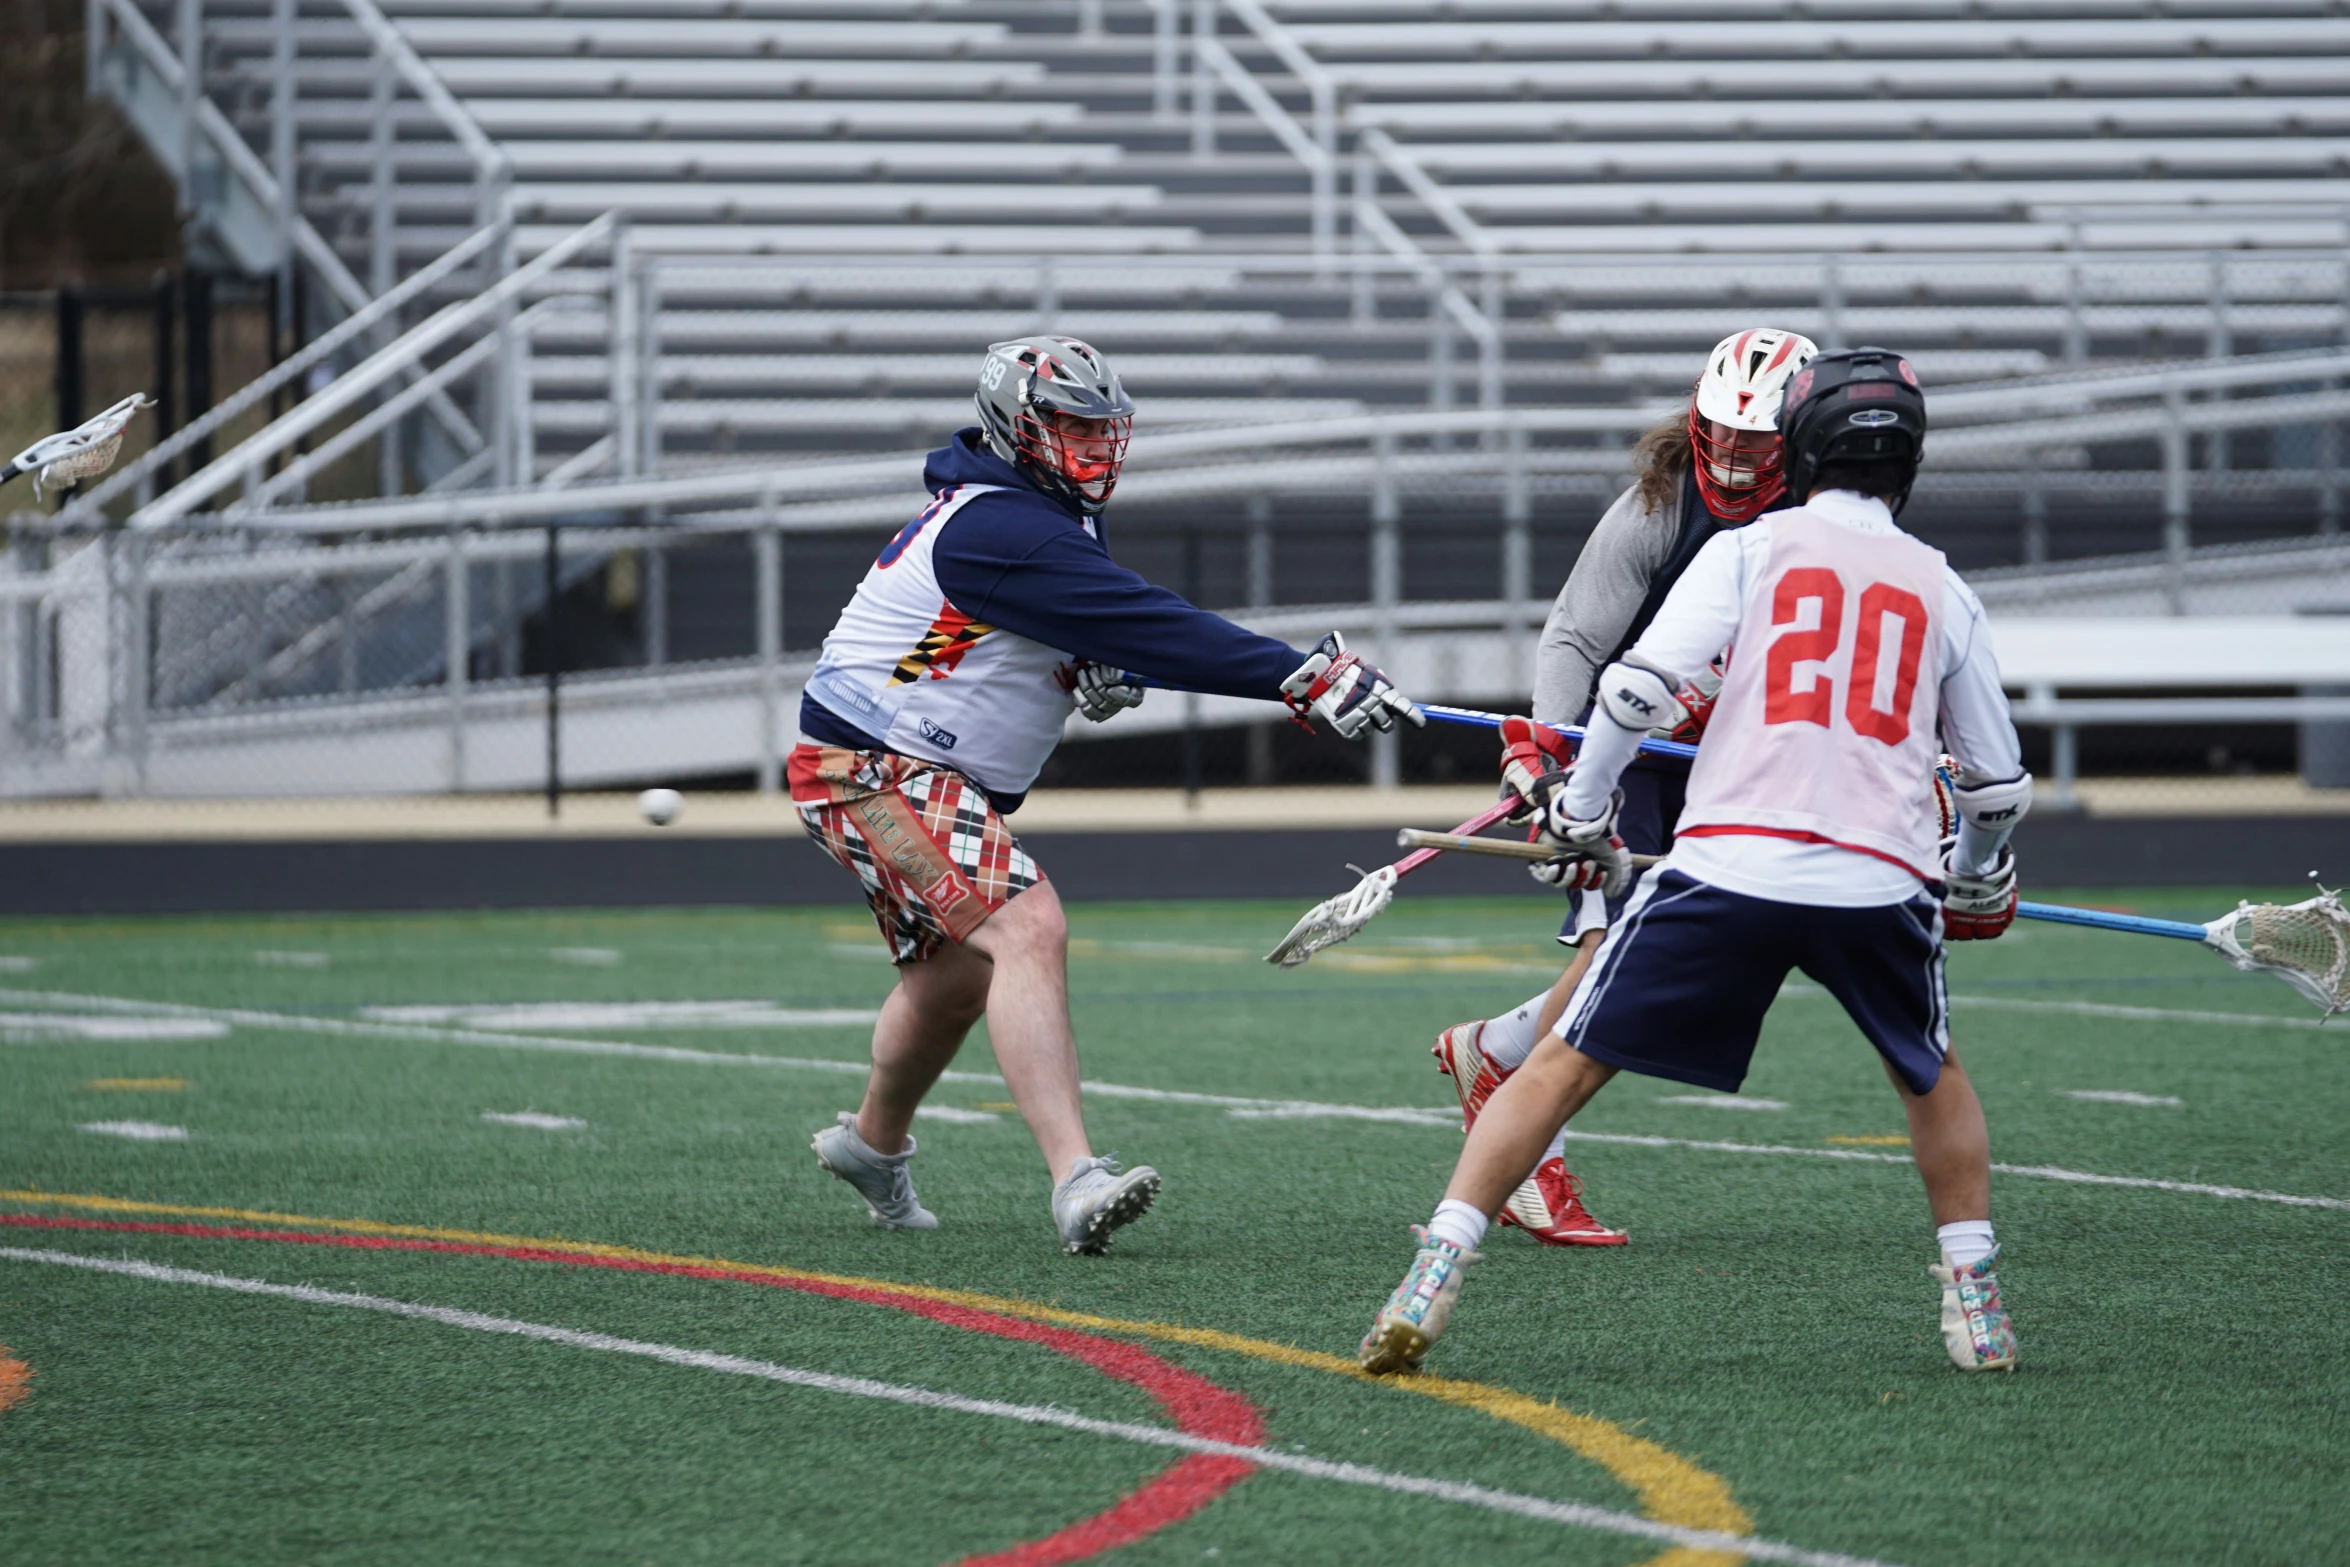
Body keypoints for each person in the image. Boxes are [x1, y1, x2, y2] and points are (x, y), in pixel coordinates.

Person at [1359, 347, 2033, 1375]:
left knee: (1567, 1062)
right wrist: (1977, 873)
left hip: (1729, 859)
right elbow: (1993, 784)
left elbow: (1630, 693)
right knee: (1932, 1077)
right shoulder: (1942, 586)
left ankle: (1435, 1268)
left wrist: (1581, 806)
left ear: (1797, 446)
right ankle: (1974, 1305)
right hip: (1877, 873)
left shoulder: (1749, 551)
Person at [794, 335, 1422, 1255]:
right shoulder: (1000, 523)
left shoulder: (1037, 513)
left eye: (1103, 432)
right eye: (1072, 429)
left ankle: (870, 1143)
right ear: (1016, 428)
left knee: (955, 978)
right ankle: (1075, 1178)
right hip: (868, 765)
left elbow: (1003, 636)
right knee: (1026, 926)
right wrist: (1304, 674)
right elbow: (1147, 621)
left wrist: (1089, 660)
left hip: (903, 760)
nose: (1094, 450)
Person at [1432, 328, 1819, 1248]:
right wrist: (1549, 754)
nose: (1727, 456)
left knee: (1708, 964)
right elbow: (1574, 636)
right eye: (1717, 433)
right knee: (1624, 955)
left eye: (1752, 443)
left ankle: (1497, 1047)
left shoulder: (1833, 513)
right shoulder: (1662, 497)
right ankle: (1523, 1143)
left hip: (1736, 763)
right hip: (1632, 753)